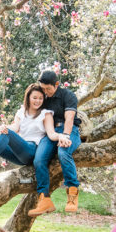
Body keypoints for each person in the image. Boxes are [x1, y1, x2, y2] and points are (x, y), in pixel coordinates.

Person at [28, 69, 81, 216]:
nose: (45, 92)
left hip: (69, 130)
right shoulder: (44, 98)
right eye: (43, 88)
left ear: (56, 84)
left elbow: (69, 119)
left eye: (48, 88)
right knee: (38, 159)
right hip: (50, 132)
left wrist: (65, 136)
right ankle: (44, 199)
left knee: (63, 153)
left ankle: (72, 191)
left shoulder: (68, 95)